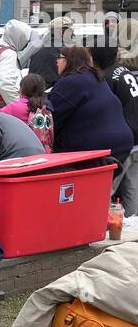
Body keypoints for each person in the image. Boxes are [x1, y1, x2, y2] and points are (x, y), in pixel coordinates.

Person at [48, 47, 134, 164]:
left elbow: (52, 120)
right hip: (124, 143)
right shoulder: (96, 77)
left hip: (99, 150)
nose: (56, 61)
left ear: (70, 60)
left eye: (60, 57)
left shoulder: (69, 83)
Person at [90, 45, 138, 214]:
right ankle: (133, 226)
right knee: (132, 186)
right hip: (135, 135)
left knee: (108, 187)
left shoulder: (107, 77)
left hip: (124, 138)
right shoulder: (123, 70)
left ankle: (99, 224)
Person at [28, 17, 74, 89]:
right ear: (62, 33)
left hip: (36, 93)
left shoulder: (39, 49)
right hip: (53, 94)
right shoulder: (64, 51)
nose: (73, 34)